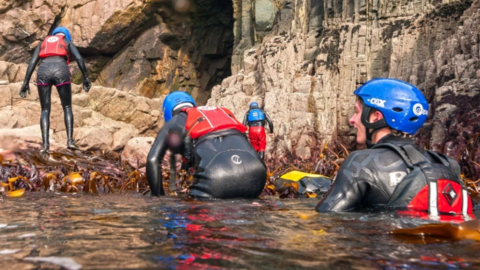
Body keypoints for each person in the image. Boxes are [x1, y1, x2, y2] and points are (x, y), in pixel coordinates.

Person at [315, 78, 474, 219]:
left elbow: (325, 220)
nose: (351, 120)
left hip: (381, 250)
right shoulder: (448, 164)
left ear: (375, 117)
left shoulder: (361, 162)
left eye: (357, 112)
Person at [146, 91, 267, 199]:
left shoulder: (177, 119)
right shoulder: (222, 112)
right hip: (257, 173)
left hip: (216, 178)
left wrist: (157, 198)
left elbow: (152, 160)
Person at [19, 27, 91, 155]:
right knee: (67, 106)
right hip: (60, 70)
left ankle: (45, 146)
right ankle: (69, 141)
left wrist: (25, 83)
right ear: (65, 35)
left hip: (43, 71)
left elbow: (32, 63)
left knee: (45, 110)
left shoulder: (42, 43)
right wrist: (85, 77)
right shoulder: (66, 42)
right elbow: (79, 58)